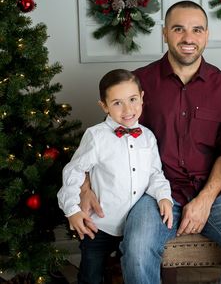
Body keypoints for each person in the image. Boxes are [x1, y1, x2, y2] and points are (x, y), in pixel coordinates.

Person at [79, 1, 221, 284]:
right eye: (178, 29)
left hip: (213, 193)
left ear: (206, 35)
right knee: (137, 249)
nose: (188, 38)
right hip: (152, 192)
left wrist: (204, 200)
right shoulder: (139, 83)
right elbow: (104, 141)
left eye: (196, 30)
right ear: (164, 33)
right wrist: (84, 185)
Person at [57, 69, 173, 284]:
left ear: (142, 97)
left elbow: (155, 174)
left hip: (135, 224)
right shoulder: (96, 136)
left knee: (133, 270)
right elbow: (74, 170)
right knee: (91, 275)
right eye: (118, 103)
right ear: (104, 106)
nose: (128, 109)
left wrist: (163, 196)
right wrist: (72, 209)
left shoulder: (147, 136)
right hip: (100, 225)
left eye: (132, 100)